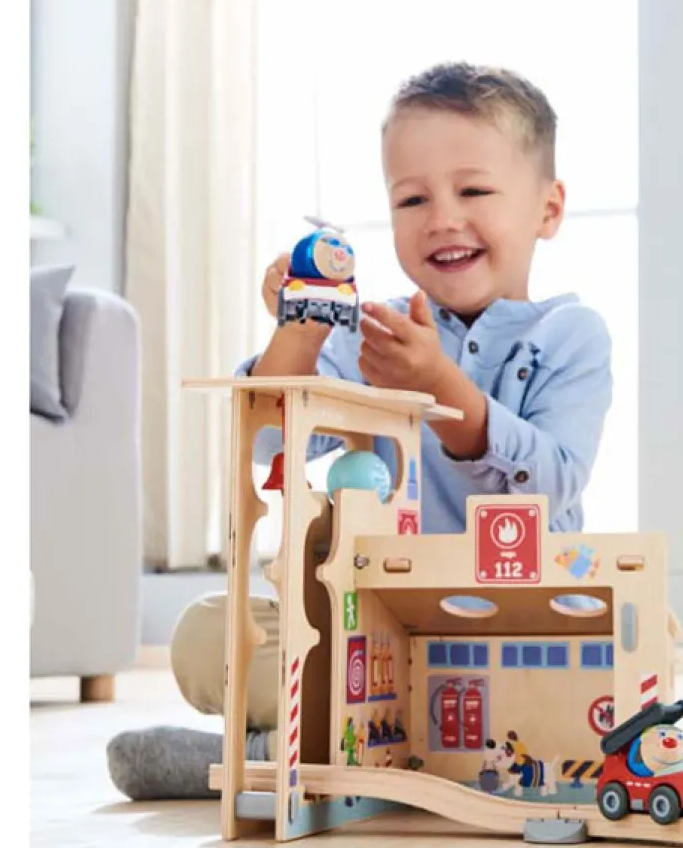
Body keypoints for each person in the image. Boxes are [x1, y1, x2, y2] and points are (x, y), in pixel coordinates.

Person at [108, 63, 613, 800]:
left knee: (638, 636)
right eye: (412, 199)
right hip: (372, 639)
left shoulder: (571, 335)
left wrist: (439, 385)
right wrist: (303, 328)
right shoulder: (370, 332)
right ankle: (341, 748)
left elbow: (552, 478)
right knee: (205, 634)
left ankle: (280, 753)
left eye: (473, 191)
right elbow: (271, 443)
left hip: (511, 633)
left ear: (548, 208)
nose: (442, 217)